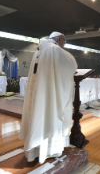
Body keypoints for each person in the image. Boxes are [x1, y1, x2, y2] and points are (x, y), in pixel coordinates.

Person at [19, 32, 77, 164]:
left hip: (40, 91)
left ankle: (35, 149)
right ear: (59, 39)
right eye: (64, 42)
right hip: (50, 92)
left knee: (38, 113)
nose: (64, 45)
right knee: (50, 114)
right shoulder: (54, 49)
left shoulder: (39, 50)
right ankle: (50, 149)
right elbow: (70, 64)